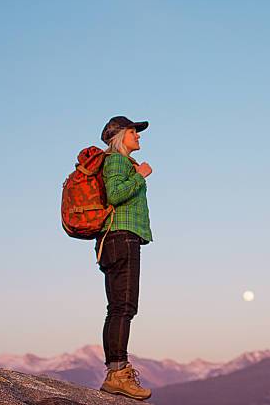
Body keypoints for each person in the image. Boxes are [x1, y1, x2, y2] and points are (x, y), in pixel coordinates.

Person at [95, 116, 153, 401]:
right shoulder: (116, 161)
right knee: (124, 306)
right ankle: (118, 373)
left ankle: (116, 370)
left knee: (119, 306)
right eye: (133, 132)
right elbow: (115, 194)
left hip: (118, 239)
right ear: (120, 136)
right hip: (122, 237)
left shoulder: (121, 163)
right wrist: (140, 175)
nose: (138, 136)